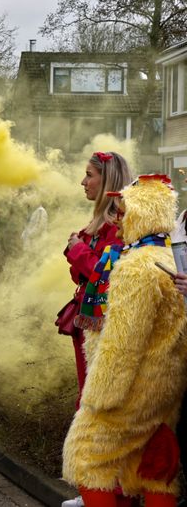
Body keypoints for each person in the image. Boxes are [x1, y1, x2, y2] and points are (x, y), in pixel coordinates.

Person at [62, 175, 187, 507]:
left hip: (131, 390)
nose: (116, 219)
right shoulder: (170, 257)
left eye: (122, 211)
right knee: (153, 467)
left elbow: (123, 344)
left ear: (140, 214)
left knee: (87, 457)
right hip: (165, 387)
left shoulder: (135, 269)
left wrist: (98, 397)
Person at [57, 151, 131, 507]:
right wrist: (80, 249)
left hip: (105, 328)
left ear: (107, 180)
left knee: (99, 406)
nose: (83, 182)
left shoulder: (121, 223)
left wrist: (77, 250)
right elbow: (84, 275)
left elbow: (108, 276)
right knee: (88, 401)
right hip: (89, 326)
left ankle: (108, 491)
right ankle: (96, 488)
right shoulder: (100, 222)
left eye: (89, 175)